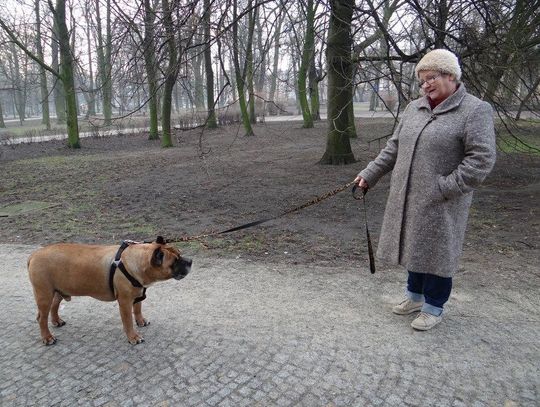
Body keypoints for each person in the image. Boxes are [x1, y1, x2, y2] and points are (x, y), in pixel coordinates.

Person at [354, 49, 496, 331]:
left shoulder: (474, 110)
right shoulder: (414, 108)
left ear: (450, 76)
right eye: (422, 81)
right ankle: (414, 296)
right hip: (408, 196)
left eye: (431, 78)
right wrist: (369, 174)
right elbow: (393, 147)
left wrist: (446, 187)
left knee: (438, 254)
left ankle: (434, 306)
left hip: (444, 200)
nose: (426, 85)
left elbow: (482, 159)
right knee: (414, 247)